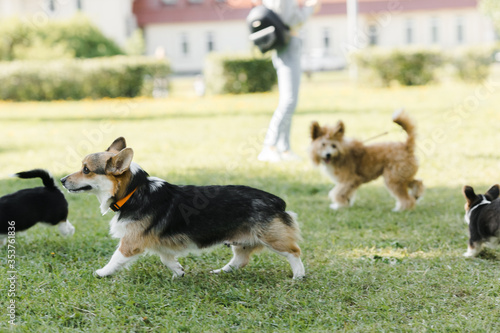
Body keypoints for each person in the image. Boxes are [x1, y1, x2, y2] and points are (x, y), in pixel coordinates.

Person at [256, 0, 321, 162]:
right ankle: (269, 146)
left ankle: (284, 149)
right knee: (289, 101)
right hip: (287, 45)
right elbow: (291, 20)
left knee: (290, 101)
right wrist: (310, 8)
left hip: (287, 44)